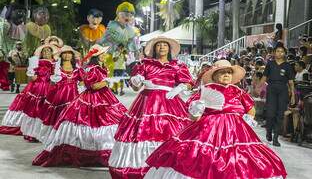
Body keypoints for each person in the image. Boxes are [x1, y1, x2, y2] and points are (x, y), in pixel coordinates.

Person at [145, 60, 287, 179]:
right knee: (202, 160)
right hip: (209, 130)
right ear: (214, 75)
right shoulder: (205, 90)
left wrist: (248, 119)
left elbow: (251, 109)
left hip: (237, 131)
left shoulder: (238, 91)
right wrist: (197, 109)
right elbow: (192, 117)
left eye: (229, 72)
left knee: (242, 160)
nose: (226, 75)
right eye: (223, 72)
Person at [108, 36, 194, 178]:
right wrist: (137, 81)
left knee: (172, 133)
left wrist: (179, 88)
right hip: (147, 101)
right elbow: (136, 87)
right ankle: (141, 167)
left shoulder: (177, 65)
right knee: (142, 133)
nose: (161, 47)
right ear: (154, 49)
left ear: (169, 49)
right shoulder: (145, 64)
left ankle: (165, 169)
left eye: (164, 45)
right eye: (158, 45)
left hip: (170, 101)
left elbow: (189, 83)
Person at [32, 44, 127, 167]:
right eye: (102, 54)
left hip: (102, 97)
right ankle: (95, 152)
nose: (104, 56)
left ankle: (99, 149)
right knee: (95, 122)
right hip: (95, 97)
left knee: (103, 122)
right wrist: (107, 82)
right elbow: (92, 86)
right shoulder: (94, 68)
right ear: (96, 57)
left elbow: (85, 82)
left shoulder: (96, 67)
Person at [0, 44, 57, 138]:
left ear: (52, 52)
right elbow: (31, 73)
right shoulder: (37, 61)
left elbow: (57, 74)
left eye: (48, 51)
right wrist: (33, 76)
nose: (46, 52)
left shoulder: (56, 62)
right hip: (38, 86)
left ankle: (46, 128)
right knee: (34, 106)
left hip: (50, 86)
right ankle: (32, 128)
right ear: (41, 53)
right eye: (44, 51)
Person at [36, 45, 82, 143]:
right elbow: (51, 82)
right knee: (58, 115)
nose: (67, 55)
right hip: (60, 95)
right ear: (61, 55)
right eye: (65, 53)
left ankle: (70, 136)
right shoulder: (56, 66)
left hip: (74, 95)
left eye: (69, 53)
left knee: (72, 117)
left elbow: (82, 80)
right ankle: (56, 137)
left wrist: (80, 86)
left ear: (72, 55)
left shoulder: (77, 68)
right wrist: (54, 79)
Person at [261, 43, 295, 147]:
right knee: (270, 113)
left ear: (284, 53)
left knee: (280, 114)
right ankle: (268, 131)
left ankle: (275, 138)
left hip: (283, 90)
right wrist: (260, 88)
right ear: (274, 53)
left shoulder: (288, 66)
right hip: (271, 88)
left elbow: (291, 82)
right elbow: (264, 77)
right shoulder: (270, 64)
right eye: (277, 51)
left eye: (282, 51)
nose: (279, 53)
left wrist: (293, 95)